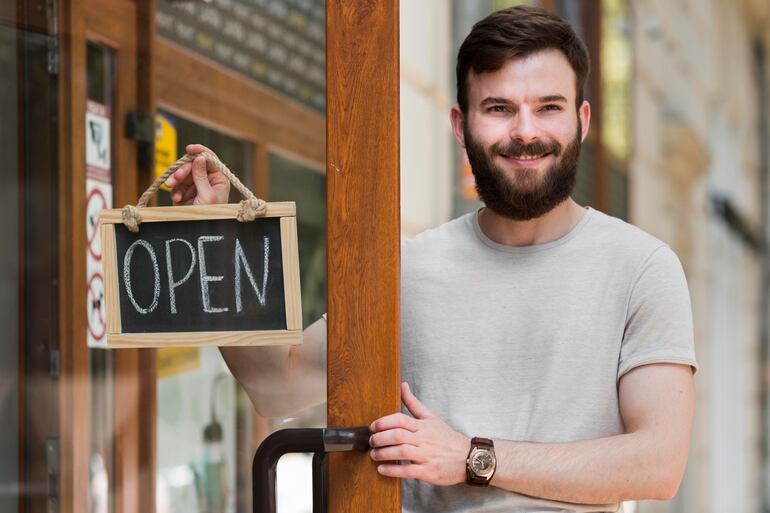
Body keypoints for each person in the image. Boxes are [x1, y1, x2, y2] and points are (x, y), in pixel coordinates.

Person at [165, 5, 697, 512]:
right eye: (499, 108)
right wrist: (213, 244)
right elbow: (275, 384)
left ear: (581, 119)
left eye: (548, 107)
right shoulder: (406, 269)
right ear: (461, 126)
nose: (526, 131)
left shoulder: (642, 267)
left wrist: (471, 458)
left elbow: (657, 462)